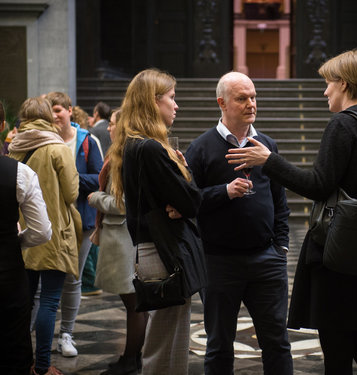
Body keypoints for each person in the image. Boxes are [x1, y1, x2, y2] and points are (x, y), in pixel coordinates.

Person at [226, 50, 357, 374]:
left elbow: (318, 184)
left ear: (343, 83)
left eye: (329, 82)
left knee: (339, 356)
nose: (325, 90)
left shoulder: (343, 124)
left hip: (340, 255)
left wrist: (268, 161)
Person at [186, 71, 293, 375]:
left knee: (276, 341)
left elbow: (279, 200)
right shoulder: (202, 148)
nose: (251, 103)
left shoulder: (266, 144)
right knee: (219, 344)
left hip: (266, 260)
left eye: (253, 97)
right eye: (242, 98)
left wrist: (281, 246)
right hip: (219, 262)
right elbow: (189, 202)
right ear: (222, 102)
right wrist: (225, 191)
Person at [110, 68, 202, 375]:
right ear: (153, 101)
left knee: (171, 339)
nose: (176, 105)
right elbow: (191, 201)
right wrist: (185, 173)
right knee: (164, 343)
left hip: (152, 250)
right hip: (163, 252)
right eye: (172, 98)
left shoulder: (134, 144)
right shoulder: (150, 147)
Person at [8, 96, 81, 375]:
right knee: (50, 301)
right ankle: (41, 365)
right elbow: (72, 192)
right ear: (48, 117)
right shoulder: (57, 148)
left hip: (23, 234)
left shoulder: (14, 147)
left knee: (25, 302)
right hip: (53, 234)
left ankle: (22, 361)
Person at [88, 109, 148, 374]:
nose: (108, 128)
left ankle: (131, 360)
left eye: (112, 124)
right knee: (133, 304)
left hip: (125, 236)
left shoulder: (123, 157)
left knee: (134, 304)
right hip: (122, 235)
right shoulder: (121, 154)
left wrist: (95, 198)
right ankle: (132, 358)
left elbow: (124, 203)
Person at [45, 91, 104, 357]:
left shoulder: (87, 141)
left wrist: (70, 179)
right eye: (50, 111)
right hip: (48, 220)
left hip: (81, 221)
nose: (55, 115)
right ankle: (36, 338)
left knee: (73, 279)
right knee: (40, 282)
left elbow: (101, 178)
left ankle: (66, 334)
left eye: (58, 109)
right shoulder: (43, 140)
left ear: (70, 110)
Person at [0, 100, 52, 375]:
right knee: (13, 352)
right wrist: (15, 241)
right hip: (7, 273)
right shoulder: (19, 173)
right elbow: (43, 230)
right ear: (2, 127)